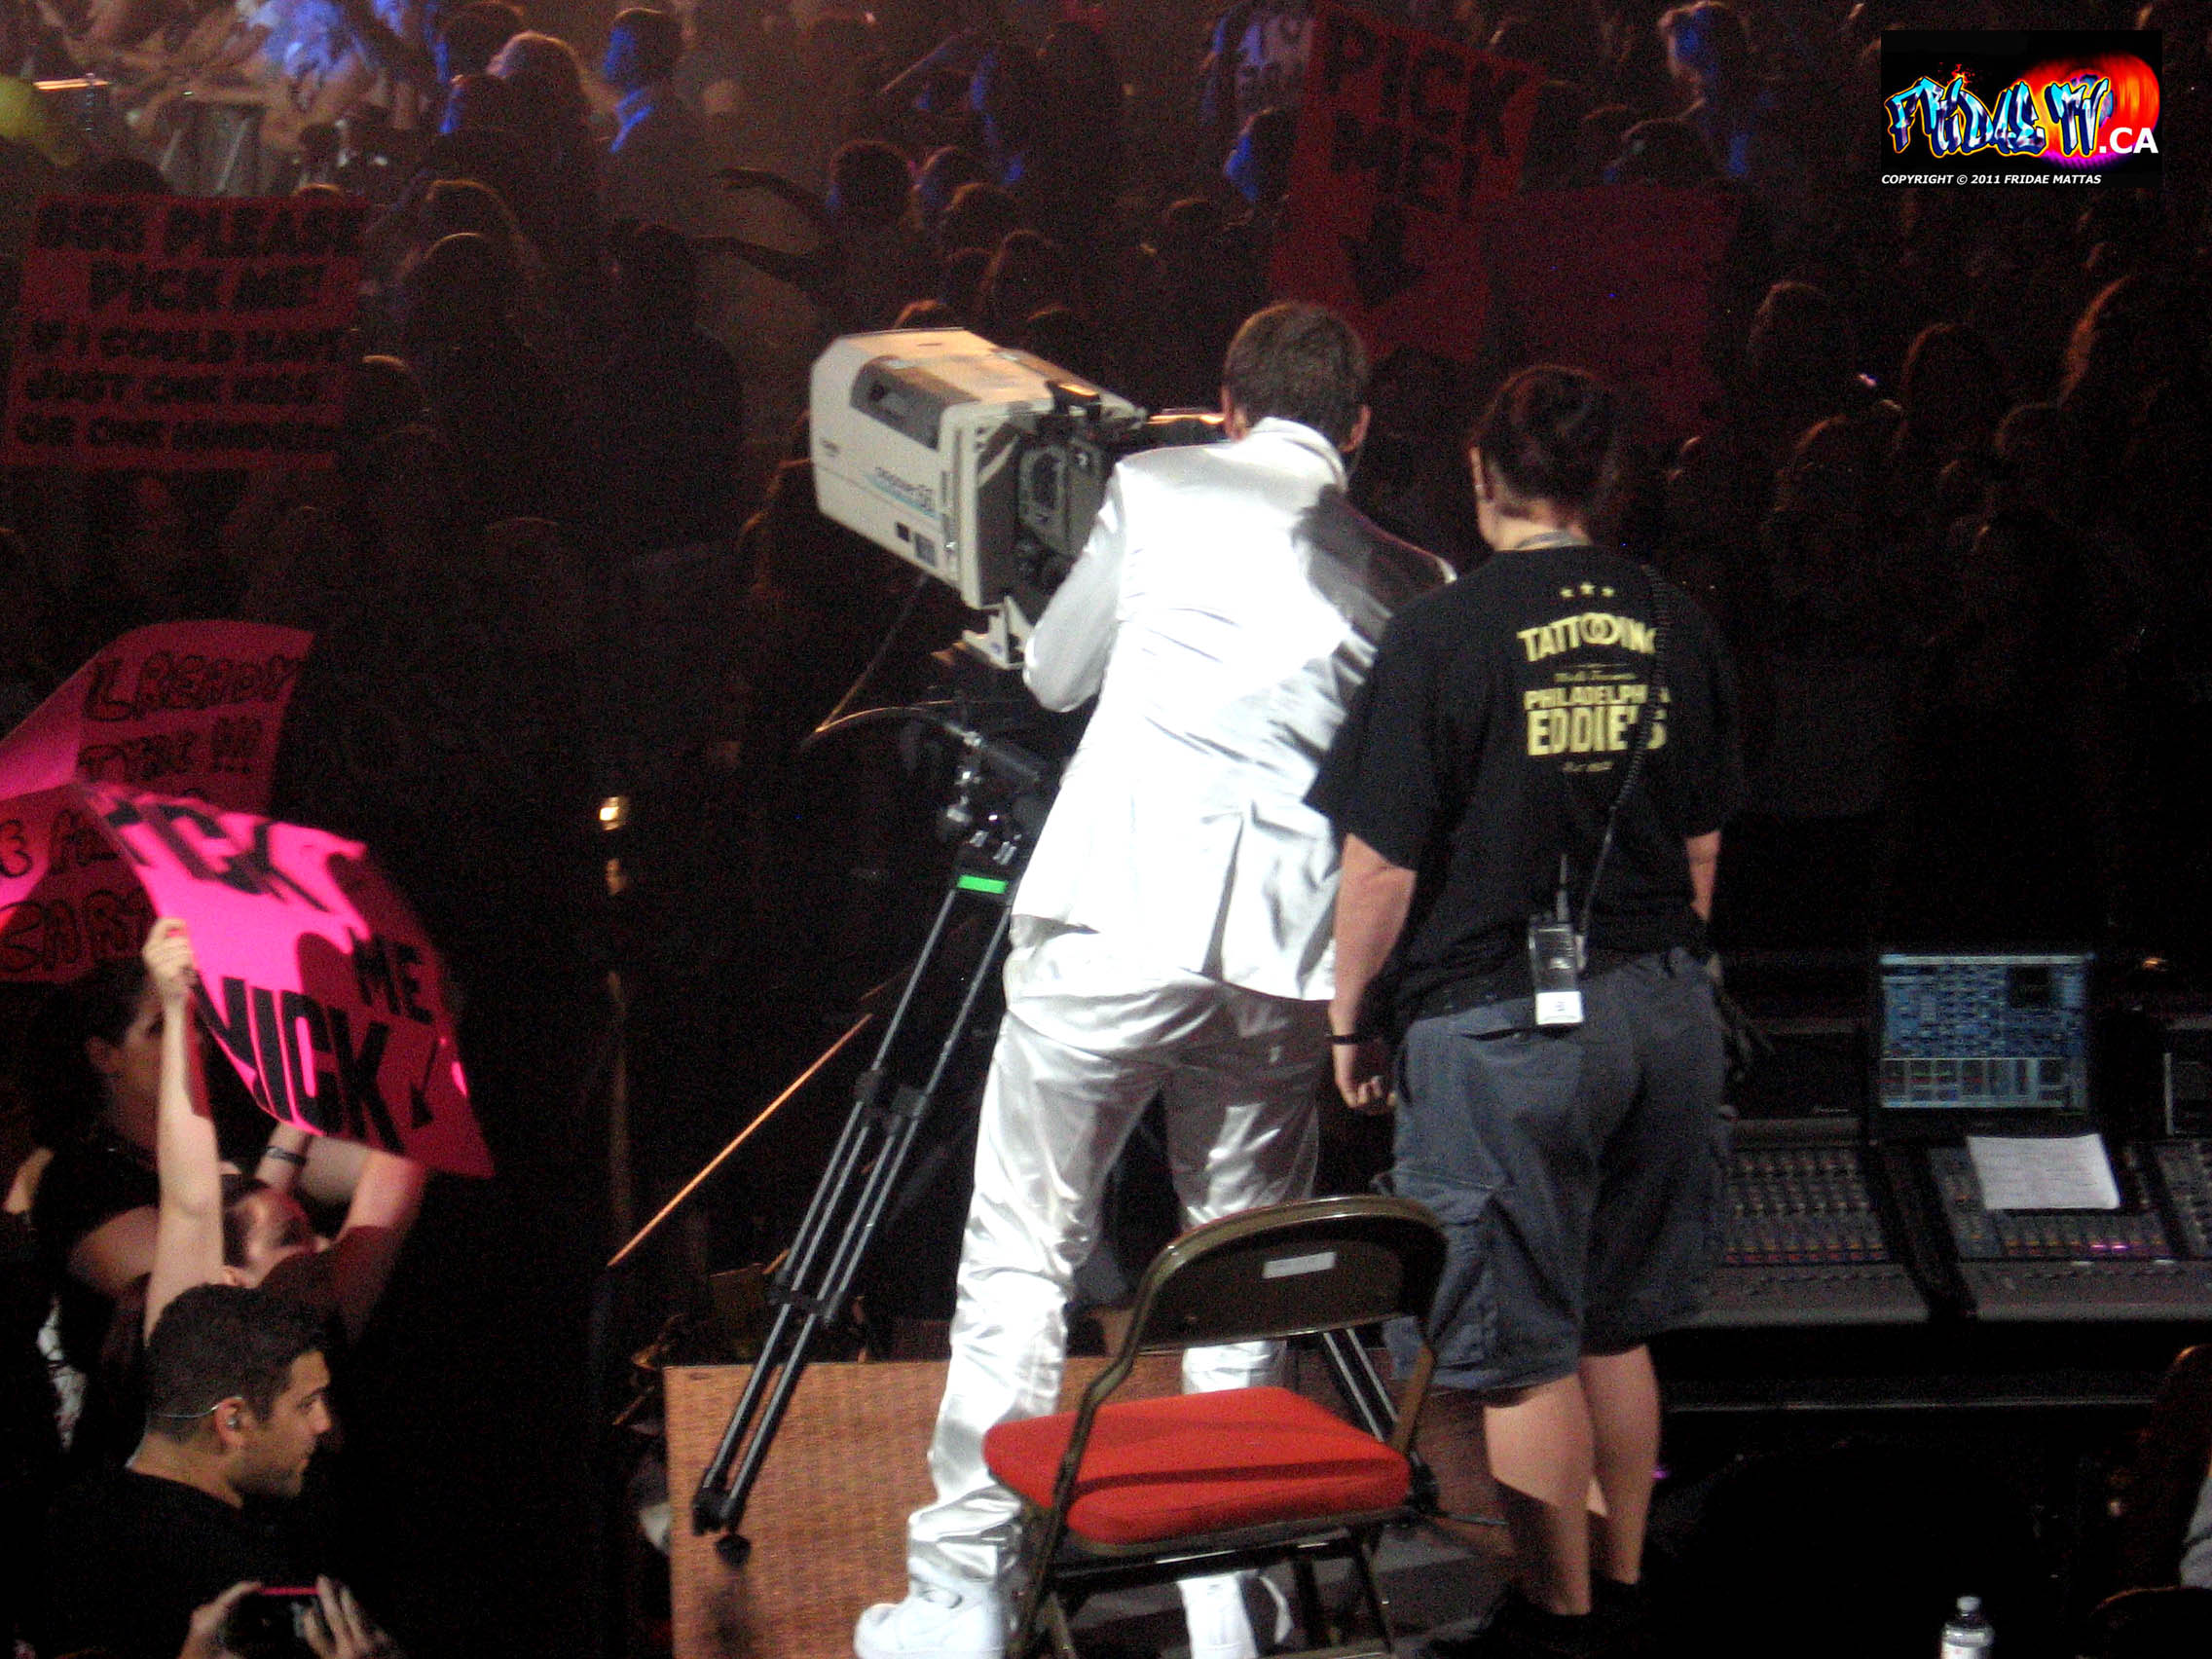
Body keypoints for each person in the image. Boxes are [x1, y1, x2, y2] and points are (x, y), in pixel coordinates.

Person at [855, 301, 1450, 1659]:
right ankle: (1230, 1598)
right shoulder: (1412, 573)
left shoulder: (1158, 482)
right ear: (1357, 427)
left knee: (1024, 1251)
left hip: (1119, 916)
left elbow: (1058, 674)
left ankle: (963, 1594)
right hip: (1284, 957)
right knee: (1240, 1264)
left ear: (1229, 403)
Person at [1311, 365, 1742, 1659]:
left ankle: (1558, 1621)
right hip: (1665, 1011)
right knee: (1613, 1325)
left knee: (1519, 1349)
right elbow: (1704, 849)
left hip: (1504, 1027)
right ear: (1608, 480)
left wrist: (1350, 1024)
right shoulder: (1676, 620)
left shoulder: (1443, 631)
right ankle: (1621, 1589)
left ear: (1480, 473)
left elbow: (1380, 871)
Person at [42, 1282, 398, 1659]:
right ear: (233, 1421)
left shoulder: (70, 1518)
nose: (324, 1423)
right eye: (307, 1404)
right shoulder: (243, 1586)